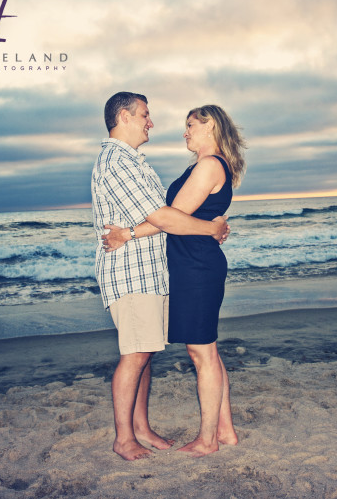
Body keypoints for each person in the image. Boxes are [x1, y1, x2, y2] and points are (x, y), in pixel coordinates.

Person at [91, 92, 229, 461]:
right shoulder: (117, 161)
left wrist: (204, 225)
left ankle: (141, 428)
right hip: (132, 271)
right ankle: (125, 438)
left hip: (154, 271)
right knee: (136, 353)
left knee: (145, 351)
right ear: (124, 116)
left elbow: (168, 212)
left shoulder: (135, 160)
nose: (151, 122)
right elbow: (164, 217)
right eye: (145, 115)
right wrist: (210, 228)